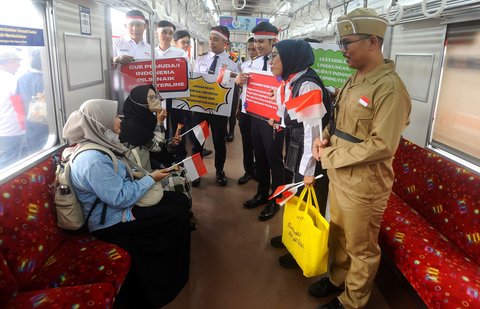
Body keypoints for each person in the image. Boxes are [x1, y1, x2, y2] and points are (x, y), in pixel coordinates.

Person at [310, 8, 411, 309]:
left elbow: (382, 145)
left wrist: (331, 154)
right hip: (340, 174)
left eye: (347, 43)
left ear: (373, 42)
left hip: (365, 185)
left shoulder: (390, 89)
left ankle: (352, 301)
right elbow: (338, 117)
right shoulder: (355, 79)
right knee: (338, 234)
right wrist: (324, 135)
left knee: (361, 247)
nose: (343, 50)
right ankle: (337, 278)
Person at [63, 98, 191, 308]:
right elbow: (119, 198)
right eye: (114, 115)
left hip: (119, 205)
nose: (120, 119)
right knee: (176, 215)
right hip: (109, 222)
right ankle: (167, 279)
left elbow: (118, 177)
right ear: (100, 121)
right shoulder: (93, 159)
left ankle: (173, 267)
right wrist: (151, 178)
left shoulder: (101, 143)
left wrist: (143, 175)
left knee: (178, 201)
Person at [268, 39, 332, 268]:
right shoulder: (292, 81)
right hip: (298, 149)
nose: (270, 60)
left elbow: (313, 134)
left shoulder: (307, 86)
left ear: (291, 58)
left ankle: (301, 249)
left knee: (308, 203)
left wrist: (308, 172)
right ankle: (291, 237)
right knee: (295, 197)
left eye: (274, 56)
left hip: (310, 155)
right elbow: (295, 119)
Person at [237, 22, 284, 221]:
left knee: (274, 160)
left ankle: (277, 198)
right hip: (255, 116)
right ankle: (262, 192)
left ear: (274, 41)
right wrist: (239, 82)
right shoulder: (252, 64)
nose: (257, 46)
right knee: (261, 157)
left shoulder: (283, 63)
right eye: (255, 41)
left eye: (262, 42)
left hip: (274, 119)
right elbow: (245, 89)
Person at [119, 84, 192, 207]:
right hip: (140, 171)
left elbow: (154, 144)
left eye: (156, 96)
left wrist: (171, 143)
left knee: (184, 172)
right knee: (177, 179)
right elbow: (156, 147)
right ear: (140, 102)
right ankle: (180, 210)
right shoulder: (132, 126)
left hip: (151, 161)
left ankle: (185, 212)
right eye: (151, 98)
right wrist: (160, 122)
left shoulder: (146, 117)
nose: (158, 100)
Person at [191, 26, 240, 187]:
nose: (211, 42)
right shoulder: (201, 59)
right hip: (200, 108)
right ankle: (195, 173)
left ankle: (219, 171)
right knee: (197, 141)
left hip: (219, 110)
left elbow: (235, 84)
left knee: (219, 142)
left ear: (225, 43)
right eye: (210, 38)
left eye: (216, 39)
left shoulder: (232, 62)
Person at [173, 30, 213, 159]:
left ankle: (196, 146)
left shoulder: (188, 57)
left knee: (191, 124)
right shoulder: (173, 57)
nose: (186, 45)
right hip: (177, 98)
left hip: (190, 97)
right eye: (183, 42)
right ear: (175, 43)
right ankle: (180, 153)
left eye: (188, 43)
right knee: (181, 125)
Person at [16, 48, 48, 154]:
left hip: (29, 124)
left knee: (34, 153)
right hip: (46, 125)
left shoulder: (22, 78)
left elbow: (18, 101)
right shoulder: (47, 80)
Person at [235, 37, 257, 185]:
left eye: (253, 49)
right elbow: (241, 89)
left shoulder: (269, 66)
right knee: (246, 141)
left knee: (260, 144)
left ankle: (260, 171)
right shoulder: (244, 65)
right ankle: (248, 170)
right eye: (248, 49)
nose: (251, 52)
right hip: (245, 108)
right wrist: (238, 82)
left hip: (261, 110)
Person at [0, 48, 24, 168]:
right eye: (16, 61)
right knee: (10, 160)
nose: (19, 65)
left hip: (3, 129)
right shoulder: (10, 80)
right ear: (8, 62)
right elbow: (20, 104)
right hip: (12, 128)